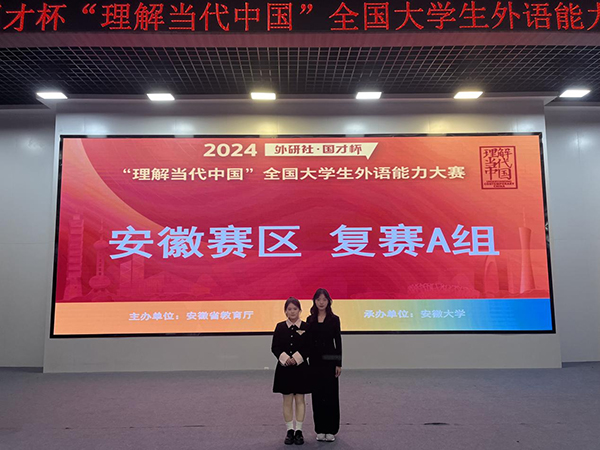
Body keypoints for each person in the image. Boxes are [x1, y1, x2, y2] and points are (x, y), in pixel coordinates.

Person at [272, 297, 311, 445]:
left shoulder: (306, 327)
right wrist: (285, 358)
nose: (292, 311)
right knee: (287, 400)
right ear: (285, 311)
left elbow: (309, 347)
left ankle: (299, 431)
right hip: (285, 369)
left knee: (300, 399)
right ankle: (289, 430)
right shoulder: (280, 327)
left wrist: (297, 358)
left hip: (301, 369)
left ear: (300, 310)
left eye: (295, 309)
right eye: (289, 309)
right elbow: (275, 347)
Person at [307, 288, 342, 442]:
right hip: (314, 361)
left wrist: (338, 363)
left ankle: (331, 429)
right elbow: (308, 342)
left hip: (330, 360)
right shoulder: (310, 319)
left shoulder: (334, 319)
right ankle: (320, 429)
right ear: (314, 301)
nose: (321, 302)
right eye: (318, 299)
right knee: (317, 395)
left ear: (329, 301)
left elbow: (338, 342)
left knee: (331, 395)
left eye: (324, 299)